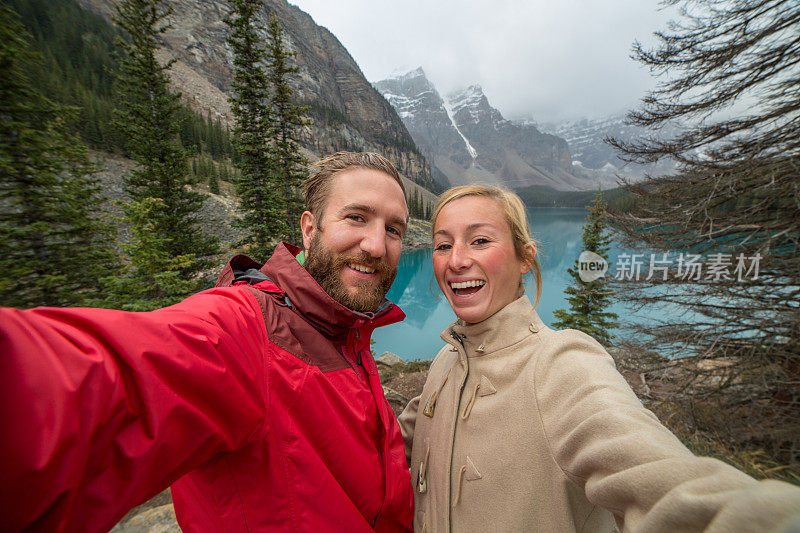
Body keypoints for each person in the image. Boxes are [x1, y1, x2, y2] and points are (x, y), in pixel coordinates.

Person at [0, 152, 414, 532]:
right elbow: (100, 379)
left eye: (393, 229)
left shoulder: (346, 328)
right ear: (309, 229)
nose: (376, 245)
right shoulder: (243, 329)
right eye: (357, 218)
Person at [398, 185, 800, 532]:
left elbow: (659, 481)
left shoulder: (561, 362)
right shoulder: (444, 364)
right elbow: (385, 452)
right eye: (443, 245)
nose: (456, 260)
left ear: (525, 257)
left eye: (480, 240)